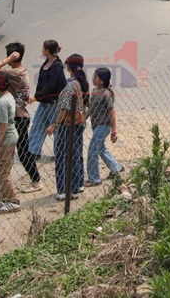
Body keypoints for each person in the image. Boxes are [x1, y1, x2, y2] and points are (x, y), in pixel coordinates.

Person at [0, 42, 42, 193]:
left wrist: (7, 60)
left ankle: (36, 180)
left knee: (21, 153)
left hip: (18, 117)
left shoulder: (15, 73)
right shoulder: (21, 71)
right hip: (19, 116)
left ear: (12, 57)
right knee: (6, 151)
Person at [46, 53, 88, 199]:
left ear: (69, 67)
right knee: (76, 154)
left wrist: (54, 125)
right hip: (78, 123)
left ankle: (65, 190)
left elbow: (64, 109)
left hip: (67, 125)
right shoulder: (80, 82)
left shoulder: (70, 86)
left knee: (64, 157)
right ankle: (78, 185)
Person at [27, 40, 67, 165]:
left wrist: (36, 96)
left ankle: (61, 153)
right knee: (38, 124)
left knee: (56, 127)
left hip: (53, 102)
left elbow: (51, 84)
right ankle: (33, 151)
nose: (42, 49)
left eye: (43, 47)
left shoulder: (57, 66)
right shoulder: (47, 62)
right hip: (44, 100)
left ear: (47, 50)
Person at [0, 72, 21, 214]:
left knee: (2, 172)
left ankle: (13, 201)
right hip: (9, 138)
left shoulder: (2, 103)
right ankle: (5, 198)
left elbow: (2, 126)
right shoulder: (8, 96)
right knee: (1, 170)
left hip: (6, 140)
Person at [84, 67, 122, 187]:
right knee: (100, 148)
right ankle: (116, 168)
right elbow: (91, 107)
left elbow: (111, 112)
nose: (93, 78)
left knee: (92, 149)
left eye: (95, 77)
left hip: (104, 126)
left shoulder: (106, 94)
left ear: (102, 81)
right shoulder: (95, 91)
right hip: (96, 126)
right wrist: (83, 118)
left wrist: (114, 130)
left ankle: (94, 179)